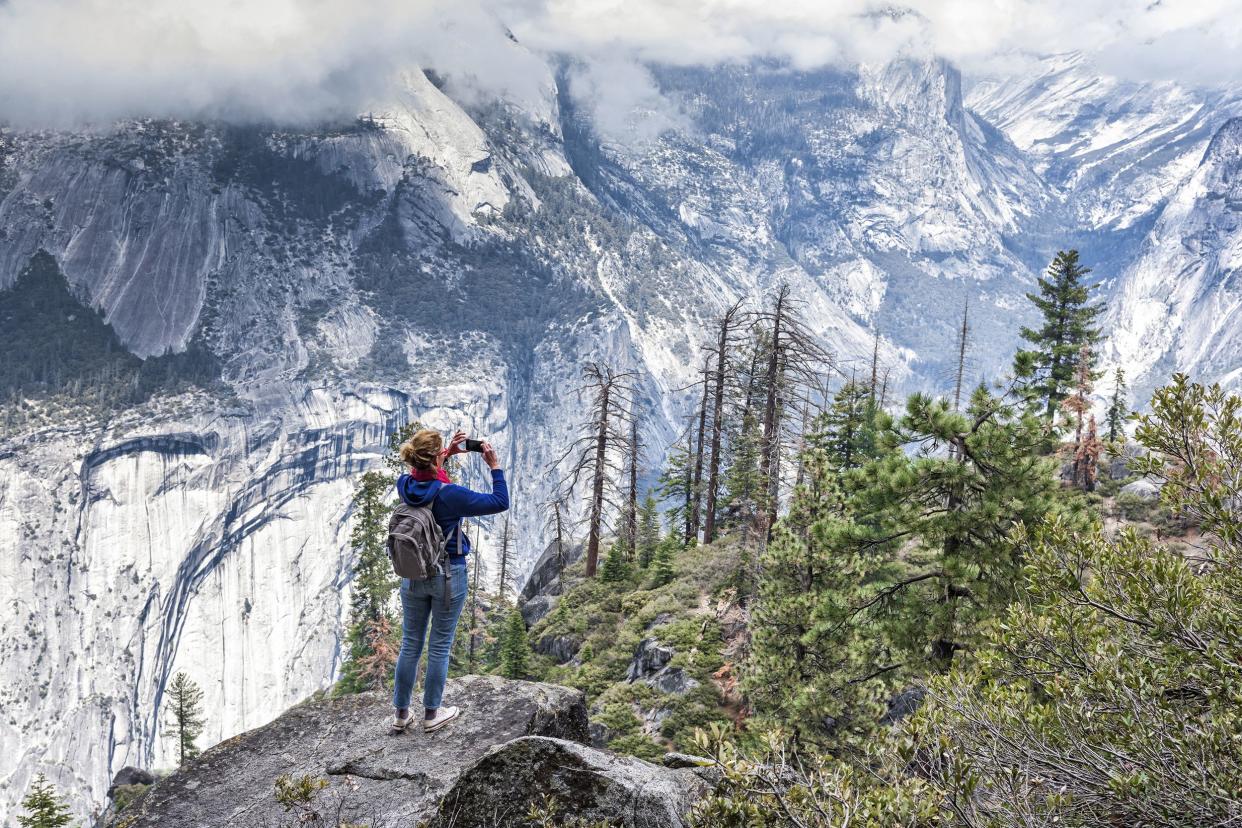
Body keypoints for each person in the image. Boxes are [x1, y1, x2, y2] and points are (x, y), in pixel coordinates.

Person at [391, 428, 508, 733]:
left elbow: (425, 476)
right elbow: (499, 501)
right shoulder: (451, 495)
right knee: (439, 646)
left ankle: (401, 714)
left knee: (410, 644)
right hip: (448, 575)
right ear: (434, 459)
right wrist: (494, 466)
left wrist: (447, 455)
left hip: (414, 574)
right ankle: (432, 714)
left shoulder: (404, 484)